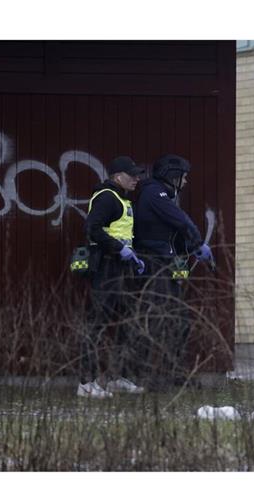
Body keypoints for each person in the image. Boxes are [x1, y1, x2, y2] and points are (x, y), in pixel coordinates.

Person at [133, 154, 214, 389]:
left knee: (179, 321)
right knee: (158, 319)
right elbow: (181, 221)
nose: (186, 182)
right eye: (184, 177)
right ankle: (149, 377)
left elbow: (171, 235)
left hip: (165, 264)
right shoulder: (153, 193)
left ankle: (176, 374)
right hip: (154, 265)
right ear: (172, 176)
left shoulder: (161, 196)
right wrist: (198, 243)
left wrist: (191, 248)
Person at [78, 156, 146, 398]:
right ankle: (86, 384)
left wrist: (132, 256)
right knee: (96, 325)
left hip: (120, 269)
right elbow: (92, 229)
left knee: (123, 325)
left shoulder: (122, 199)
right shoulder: (107, 198)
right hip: (106, 268)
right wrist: (120, 249)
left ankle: (117, 378)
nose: (137, 178)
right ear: (118, 176)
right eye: (132, 174)